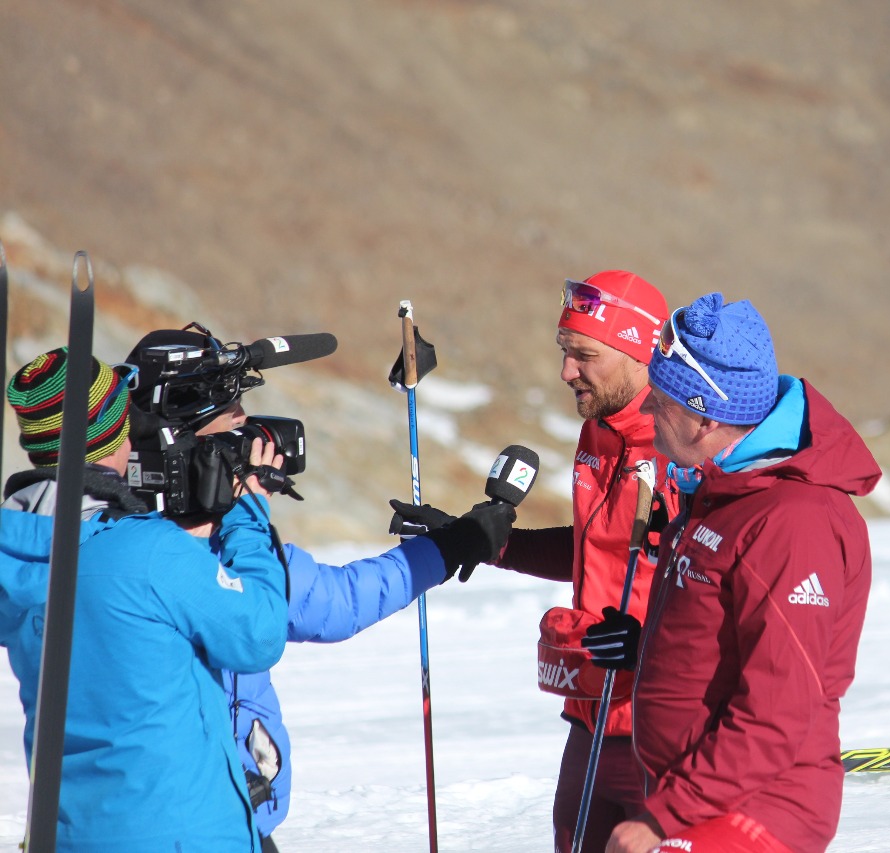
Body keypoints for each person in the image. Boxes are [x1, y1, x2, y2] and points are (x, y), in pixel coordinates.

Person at [123, 325, 516, 850]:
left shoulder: (98, 542)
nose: (251, 432)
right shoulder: (224, 557)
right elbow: (337, 605)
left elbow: (336, 601)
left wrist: (451, 546)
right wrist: (248, 510)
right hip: (207, 823)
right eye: (234, 416)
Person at [395, 270, 679, 853]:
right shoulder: (599, 432)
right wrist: (483, 540)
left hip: (665, 725)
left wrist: (653, 643)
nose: (566, 372)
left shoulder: (684, 444)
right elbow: (592, 551)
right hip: (591, 715)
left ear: (636, 352)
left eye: (585, 355)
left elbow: (715, 583)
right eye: (564, 352)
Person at [599, 293, 882, 853]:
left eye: (660, 400)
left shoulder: (792, 521)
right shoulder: (726, 492)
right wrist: (653, 648)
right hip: (698, 795)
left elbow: (777, 714)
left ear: (705, 415)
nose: (647, 413)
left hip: (757, 806)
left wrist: (661, 820)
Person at [0, 348, 288, 850]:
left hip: (69, 832)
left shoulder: (12, 550)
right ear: (113, 434)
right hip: (181, 834)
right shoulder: (148, 551)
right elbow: (259, 632)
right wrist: (247, 513)